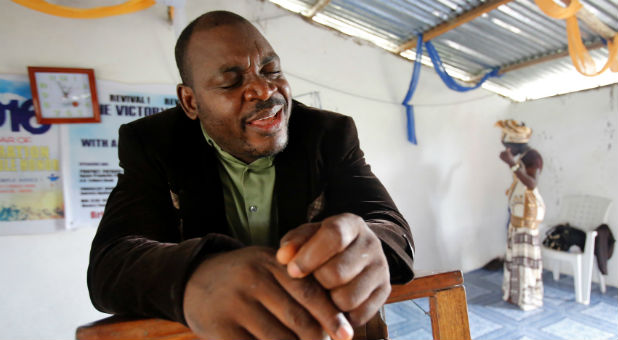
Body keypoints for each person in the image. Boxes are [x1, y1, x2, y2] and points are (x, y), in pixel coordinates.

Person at [87, 10, 415, 340]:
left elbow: (389, 226)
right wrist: (196, 274)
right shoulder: (152, 143)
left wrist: (367, 242)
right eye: (231, 81)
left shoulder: (328, 133)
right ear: (190, 102)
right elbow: (111, 263)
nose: (262, 89)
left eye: (271, 70)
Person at [495, 119, 545, 311]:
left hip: (528, 213)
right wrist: (512, 163)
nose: (507, 149)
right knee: (515, 255)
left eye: (508, 146)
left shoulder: (533, 156)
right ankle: (514, 294)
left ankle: (528, 298)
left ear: (516, 143)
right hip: (518, 211)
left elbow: (532, 183)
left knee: (525, 257)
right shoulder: (523, 156)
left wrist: (511, 164)